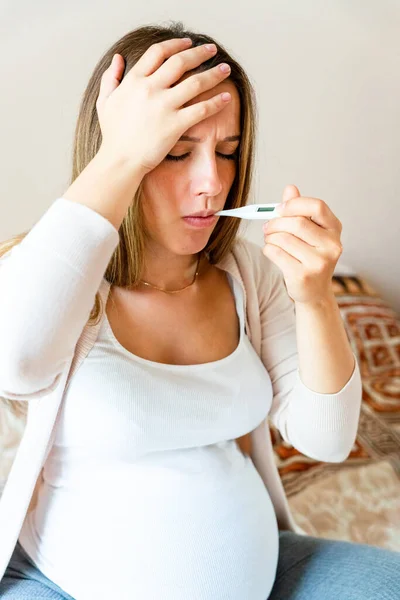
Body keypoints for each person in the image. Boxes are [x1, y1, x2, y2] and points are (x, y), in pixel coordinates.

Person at [0, 21, 398, 600]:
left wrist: (313, 297)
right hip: (62, 586)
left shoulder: (247, 272)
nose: (212, 182)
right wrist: (118, 158)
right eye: (177, 152)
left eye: (228, 152)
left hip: (267, 572)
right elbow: (15, 363)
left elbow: (327, 440)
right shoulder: (49, 271)